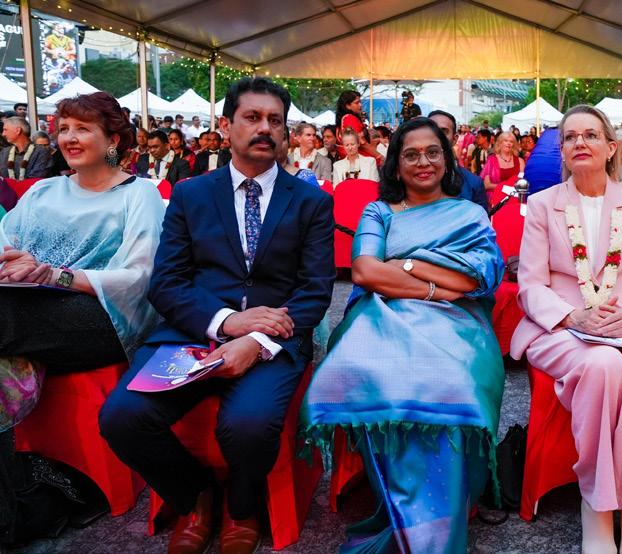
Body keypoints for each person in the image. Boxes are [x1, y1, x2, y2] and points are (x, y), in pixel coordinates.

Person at [99, 77, 335, 554]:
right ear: (226, 127)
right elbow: (166, 282)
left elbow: (315, 292)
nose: (264, 128)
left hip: (273, 342)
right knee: (122, 417)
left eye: (275, 120)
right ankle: (196, 497)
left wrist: (256, 342)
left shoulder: (311, 201)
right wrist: (228, 323)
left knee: (248, 425)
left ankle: (242, 508)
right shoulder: (191, 195)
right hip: (192, 333)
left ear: (285, 132)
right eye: (252, 117)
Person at [303, 117, 504, 553]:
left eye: (433, 152)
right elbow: (364, 271)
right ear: (395, 165)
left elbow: (476, 276)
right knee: (373, 369)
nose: (423, 162)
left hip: (459, 323)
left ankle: (442, 513)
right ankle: (406, 510)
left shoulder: (469, 213)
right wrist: (436, 285)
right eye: (411, 155)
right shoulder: (379, 211)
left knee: (457, 381)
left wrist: (407, 264)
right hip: (382, 319)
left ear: (446, 159)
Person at [511, 105, 622, 554]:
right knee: (602, 364)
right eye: (570, 137)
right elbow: (530, 285)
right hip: (560, 328)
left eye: (590, 135)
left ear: (611, 147)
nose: (579, 142)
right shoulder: (542, 204)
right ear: (562, 151)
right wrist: (573, 317)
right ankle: (597, 510)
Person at [0, 92, 164, 371]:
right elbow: (6, 242)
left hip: (101, 313)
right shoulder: (43, 190)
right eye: (64, 129)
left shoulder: (139, 194)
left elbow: (140, 276)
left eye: (83, 129)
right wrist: (16, 263)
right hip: (25, 299)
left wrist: (58, 276)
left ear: (113, 140)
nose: (69, 138)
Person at [428, 109, 489, 211]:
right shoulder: (409, 178)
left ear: (455, 138)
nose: (437, 136)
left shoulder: (473, 183)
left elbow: (481, 219)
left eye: (443, 131)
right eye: (431, 130)